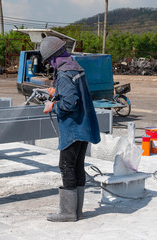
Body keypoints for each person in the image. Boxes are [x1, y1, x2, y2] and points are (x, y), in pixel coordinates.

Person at [40, 36, 101, 222]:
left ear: (53, 57)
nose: (50, 64)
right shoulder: (74, 66)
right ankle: (77, 211)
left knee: (66, 166)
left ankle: (67, 213)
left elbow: (69, 103)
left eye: (49, 61)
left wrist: (53, 106)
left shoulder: (64, 73)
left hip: (73, 128)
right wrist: (55, 91)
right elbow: (73, 92)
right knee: (77, 167)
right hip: (84, 126)